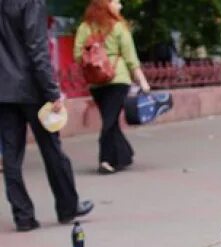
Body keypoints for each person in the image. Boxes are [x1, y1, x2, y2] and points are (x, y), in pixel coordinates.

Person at [0, 0, 93, 231]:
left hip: (3, 90)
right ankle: (68, 206)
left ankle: (23, 216)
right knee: (52, 148)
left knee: (11, 156)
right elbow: (37, 48)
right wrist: (52, 93)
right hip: (32, 89)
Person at [74, 0, 150, 175]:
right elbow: (131, 59)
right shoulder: (118, 27)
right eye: (116, 2)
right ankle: (106, 160)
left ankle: (124, 154)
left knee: (110, 118)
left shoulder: (84, 28)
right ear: (106, 4)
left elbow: (78, 56)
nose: (120, 6)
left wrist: (93, 58)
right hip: (118, 79)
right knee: (110, 120)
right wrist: (143, 83)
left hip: (95, 81)